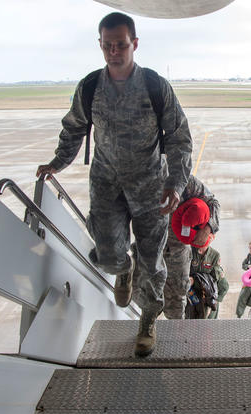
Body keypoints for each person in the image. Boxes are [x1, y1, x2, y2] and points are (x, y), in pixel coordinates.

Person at [35, 12, 193, 358]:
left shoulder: (155, 86)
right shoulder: (90, 87)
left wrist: (175, 183)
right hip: (106, 181)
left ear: (134, 44)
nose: (114, 52)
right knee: (107, 251)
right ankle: (122, 269)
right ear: (101, 46)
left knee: (152, 261)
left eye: (120, 45)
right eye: (107, 46)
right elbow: (74, 126)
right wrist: (58, 162)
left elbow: (179, 138)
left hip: (151, 185)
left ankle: (147, 322)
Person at [132, 174, 220, 320]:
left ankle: (177, 336)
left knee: (177, 303)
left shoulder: (184, 181)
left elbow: (213, 202)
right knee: (145, 295)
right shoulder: (140, 176)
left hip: (177, 254)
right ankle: (147, 327)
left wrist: (208, 228)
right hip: (149, 251)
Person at [186, 233, 227, 319]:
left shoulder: (215, 255)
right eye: (203, 234)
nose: (205, 239)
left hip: (207, 298)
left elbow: (216, 282)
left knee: (208, 328)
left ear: (213, 237)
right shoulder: (189, 251)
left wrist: (212, 305)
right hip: (190, 297)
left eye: (209, 236)